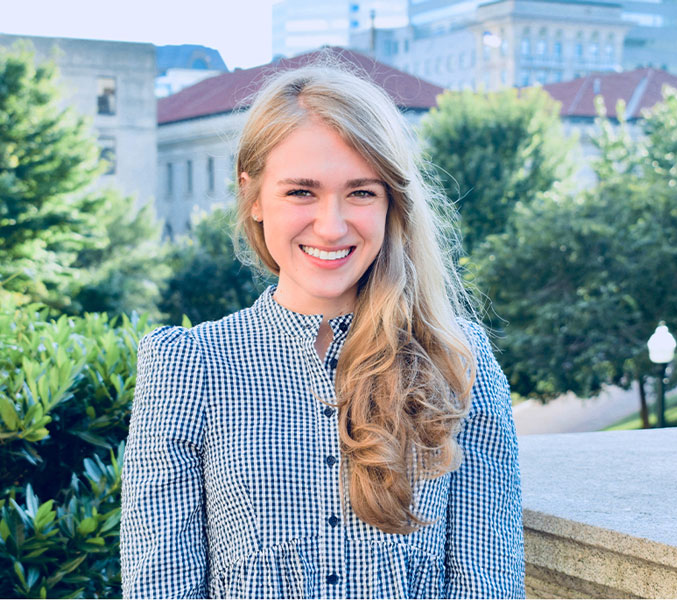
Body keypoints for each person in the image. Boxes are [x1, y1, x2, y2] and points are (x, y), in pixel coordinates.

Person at [120, 62, 524, 599]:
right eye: (301, 193)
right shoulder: (187, 367)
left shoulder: (458, 360)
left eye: (360, 193)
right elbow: (160, 587)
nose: (332, 226)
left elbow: (487, 585)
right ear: (254, 196)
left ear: (391, 204)